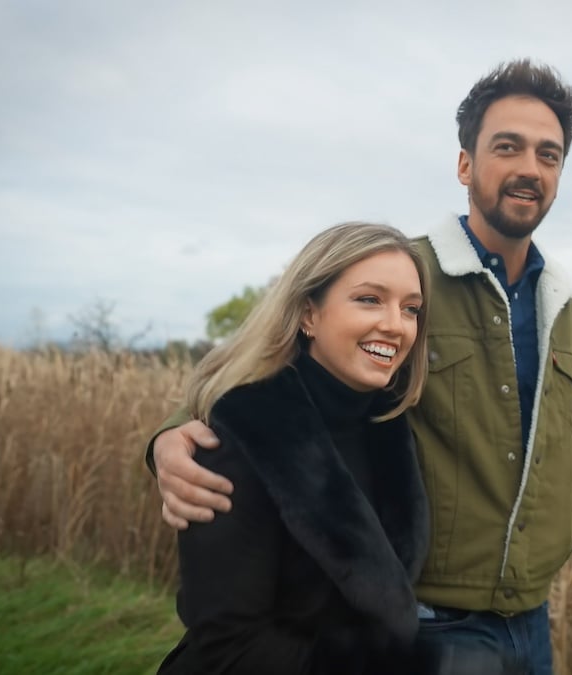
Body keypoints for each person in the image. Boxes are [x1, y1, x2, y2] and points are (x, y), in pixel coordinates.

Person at [150, 60, 572, 675]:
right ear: (466, 165)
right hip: (435, 620)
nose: (529, 168)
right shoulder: (400, 273)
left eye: (549, 154)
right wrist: (171, 435)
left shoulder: (561, 301)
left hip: (533, 616)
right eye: (507, 147)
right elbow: (263, 359)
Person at [156, 222, 434, 674]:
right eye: (369, 299)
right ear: (309, 314)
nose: (395, 324)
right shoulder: (240, 434)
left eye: (411, 308)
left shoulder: (389, 424)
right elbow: (229, 645)